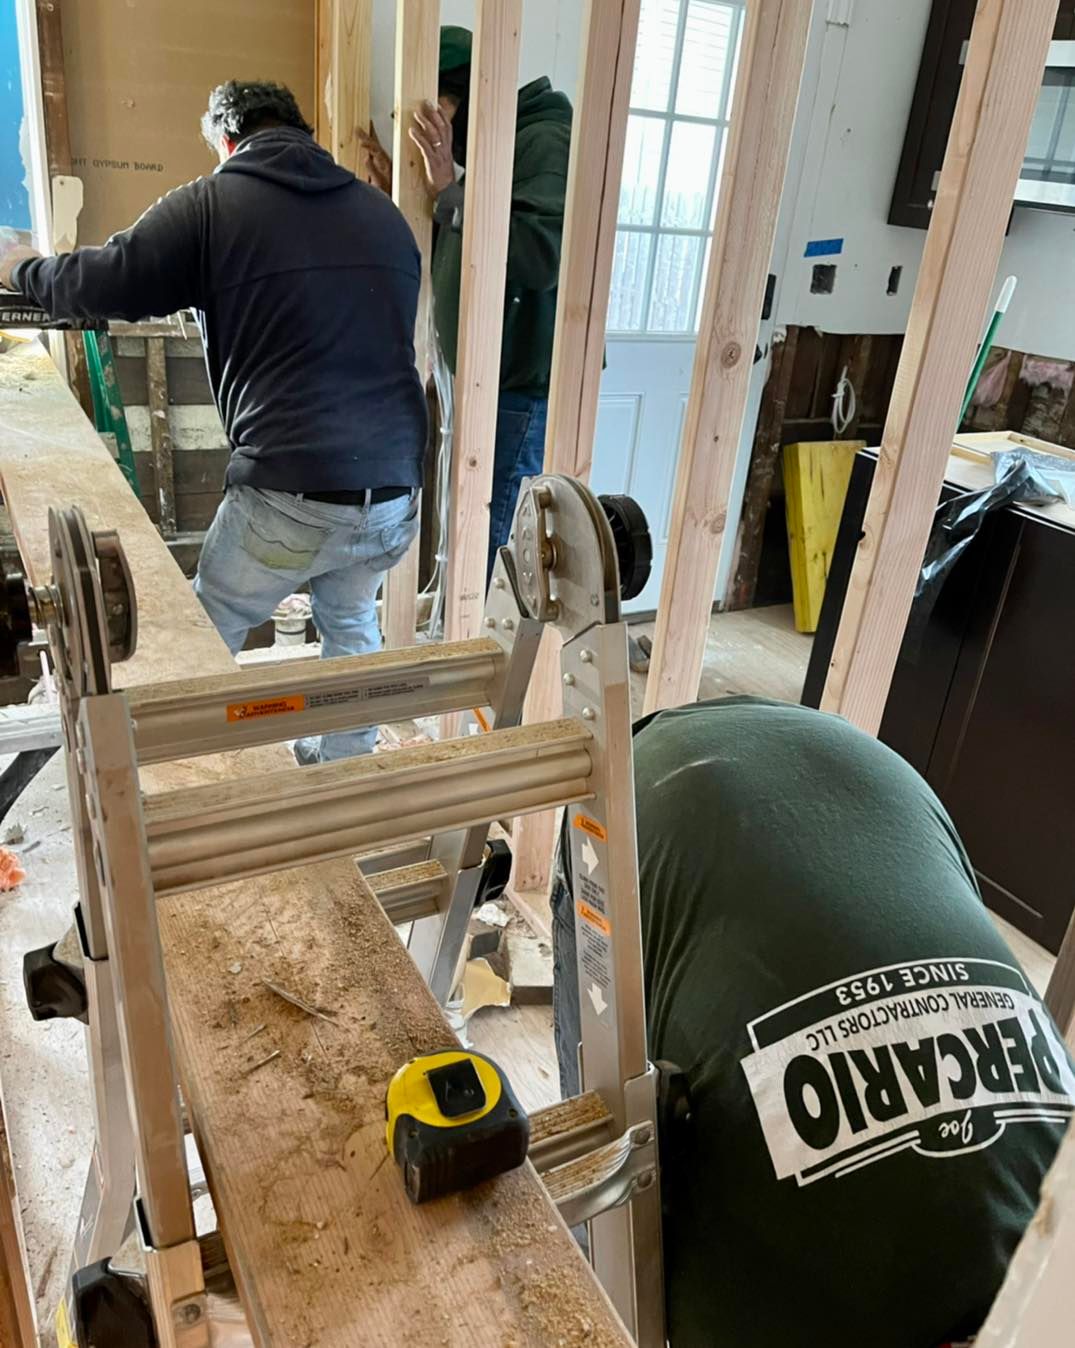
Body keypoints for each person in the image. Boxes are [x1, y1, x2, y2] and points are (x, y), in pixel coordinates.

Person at [552, 696, 1074, 1347]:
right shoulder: (757, 1308)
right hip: (656, 805)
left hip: (867, 778)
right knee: (598, 1229)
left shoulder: (1055, 1280)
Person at [0, 81, 428, 763]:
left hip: (288, 496)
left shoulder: (214, 203)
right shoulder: (383, 215)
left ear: (227, 141)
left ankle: (188, 774)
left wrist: (22, 269)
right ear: (302, 133)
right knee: (351, 623)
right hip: (394, 495)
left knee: (206, 632)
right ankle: (345, 767)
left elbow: (101, 283)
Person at [363, 26, 572, 586]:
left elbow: (539, 255)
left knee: (493, 542)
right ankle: (467, 627)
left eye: (442, 109)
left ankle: (485, 639)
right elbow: (473, 244)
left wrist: (448, 191)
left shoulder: (543, 140)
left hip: (518, 387)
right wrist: (406, 196)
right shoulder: (497, 147)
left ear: (470, 94)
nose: (437, 127)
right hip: (487, 382)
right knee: (473, 532)